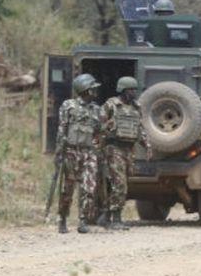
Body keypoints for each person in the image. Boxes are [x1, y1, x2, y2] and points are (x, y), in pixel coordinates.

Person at [98, 76, 152, 230]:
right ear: (122, 90)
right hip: (114, 148)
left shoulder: (136, 107)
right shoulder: (111, 105)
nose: (134, 92)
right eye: (130, 90)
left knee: (123, 184)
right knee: (119, 184)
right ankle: (115, 219)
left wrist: (147, 146)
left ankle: (105, 216)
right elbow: (98, 124)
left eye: (135, 89)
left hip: (129, 149)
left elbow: (140, 129)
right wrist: (104, 133)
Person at [56, 73, 103, 234]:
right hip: (71, 151)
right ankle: (62, 218)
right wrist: (59, 154)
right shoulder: (68, 106)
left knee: (89, 188)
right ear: (84, 89)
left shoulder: (96, 109)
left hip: (89, 152)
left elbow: (98, 132)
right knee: (68, 189)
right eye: (92, 89)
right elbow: (62, 130)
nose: (95, 91)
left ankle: (83, 220)